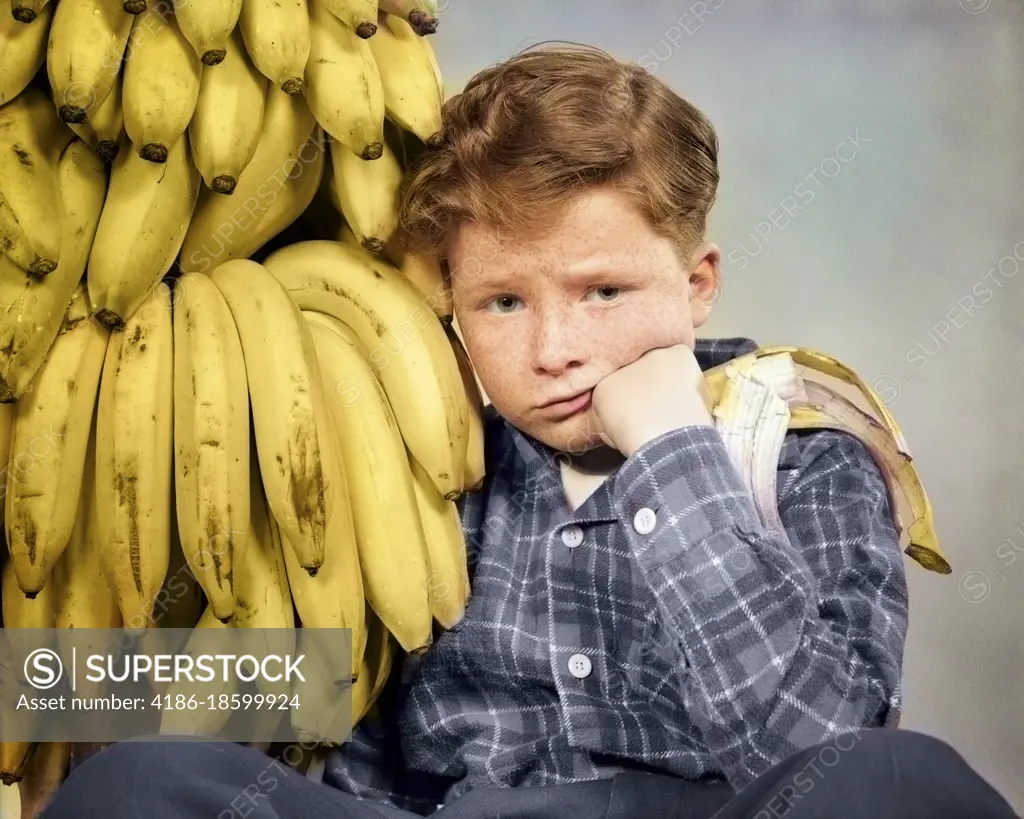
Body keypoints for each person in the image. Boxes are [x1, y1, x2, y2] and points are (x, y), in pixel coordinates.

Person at [44, 43, 1017, 819]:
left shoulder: (801, 446)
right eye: (502, 303)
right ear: (451, 306)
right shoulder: (427, 463)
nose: (557, 348)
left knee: (900, 781)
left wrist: (674, 452)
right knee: (139, 782)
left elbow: (818, 746)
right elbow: (294, 707)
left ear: (698, 283)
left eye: (604, 290)